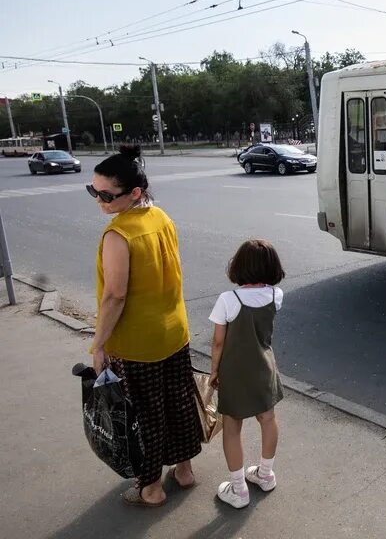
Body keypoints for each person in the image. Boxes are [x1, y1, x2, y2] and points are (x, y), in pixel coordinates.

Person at [87, 145, 201, 507]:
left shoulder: (118, 235)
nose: (99, 201)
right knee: (179, 403)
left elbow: (114, 297)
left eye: (106, 195)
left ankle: (150, 487)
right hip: (174, 331)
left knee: (145, 415)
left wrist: (98, 344)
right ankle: (184, 470)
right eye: (93, 192)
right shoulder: (161, 217)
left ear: (134, 192)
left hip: (137, 343)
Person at [208, 239, 286, 509]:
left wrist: (214, 370)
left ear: (239, 266)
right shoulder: (276, 295)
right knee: (268, 418)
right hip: (265, 366)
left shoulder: (229, 299)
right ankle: (265, 474)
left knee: (232, 426)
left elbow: (218, 342)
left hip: (235, 371)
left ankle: (239, 489)